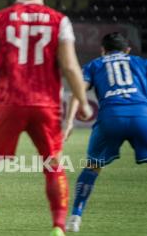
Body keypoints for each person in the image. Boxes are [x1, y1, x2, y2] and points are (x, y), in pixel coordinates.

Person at [0, 0, 93, 236]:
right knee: (53, 166)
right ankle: (58, 226)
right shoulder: (60, 21)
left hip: (8, 101)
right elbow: (71, 67)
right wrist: (82, 101)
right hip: (46, 103)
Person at [64, 32, 147, 232]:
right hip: (142, 117)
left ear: (103, 51)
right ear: (127, 50)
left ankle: (75, 216)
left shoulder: (95, 64)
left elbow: (78, 92)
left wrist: (68, 122)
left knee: (92, 167)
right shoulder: (140, 62)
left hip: (110, 119)